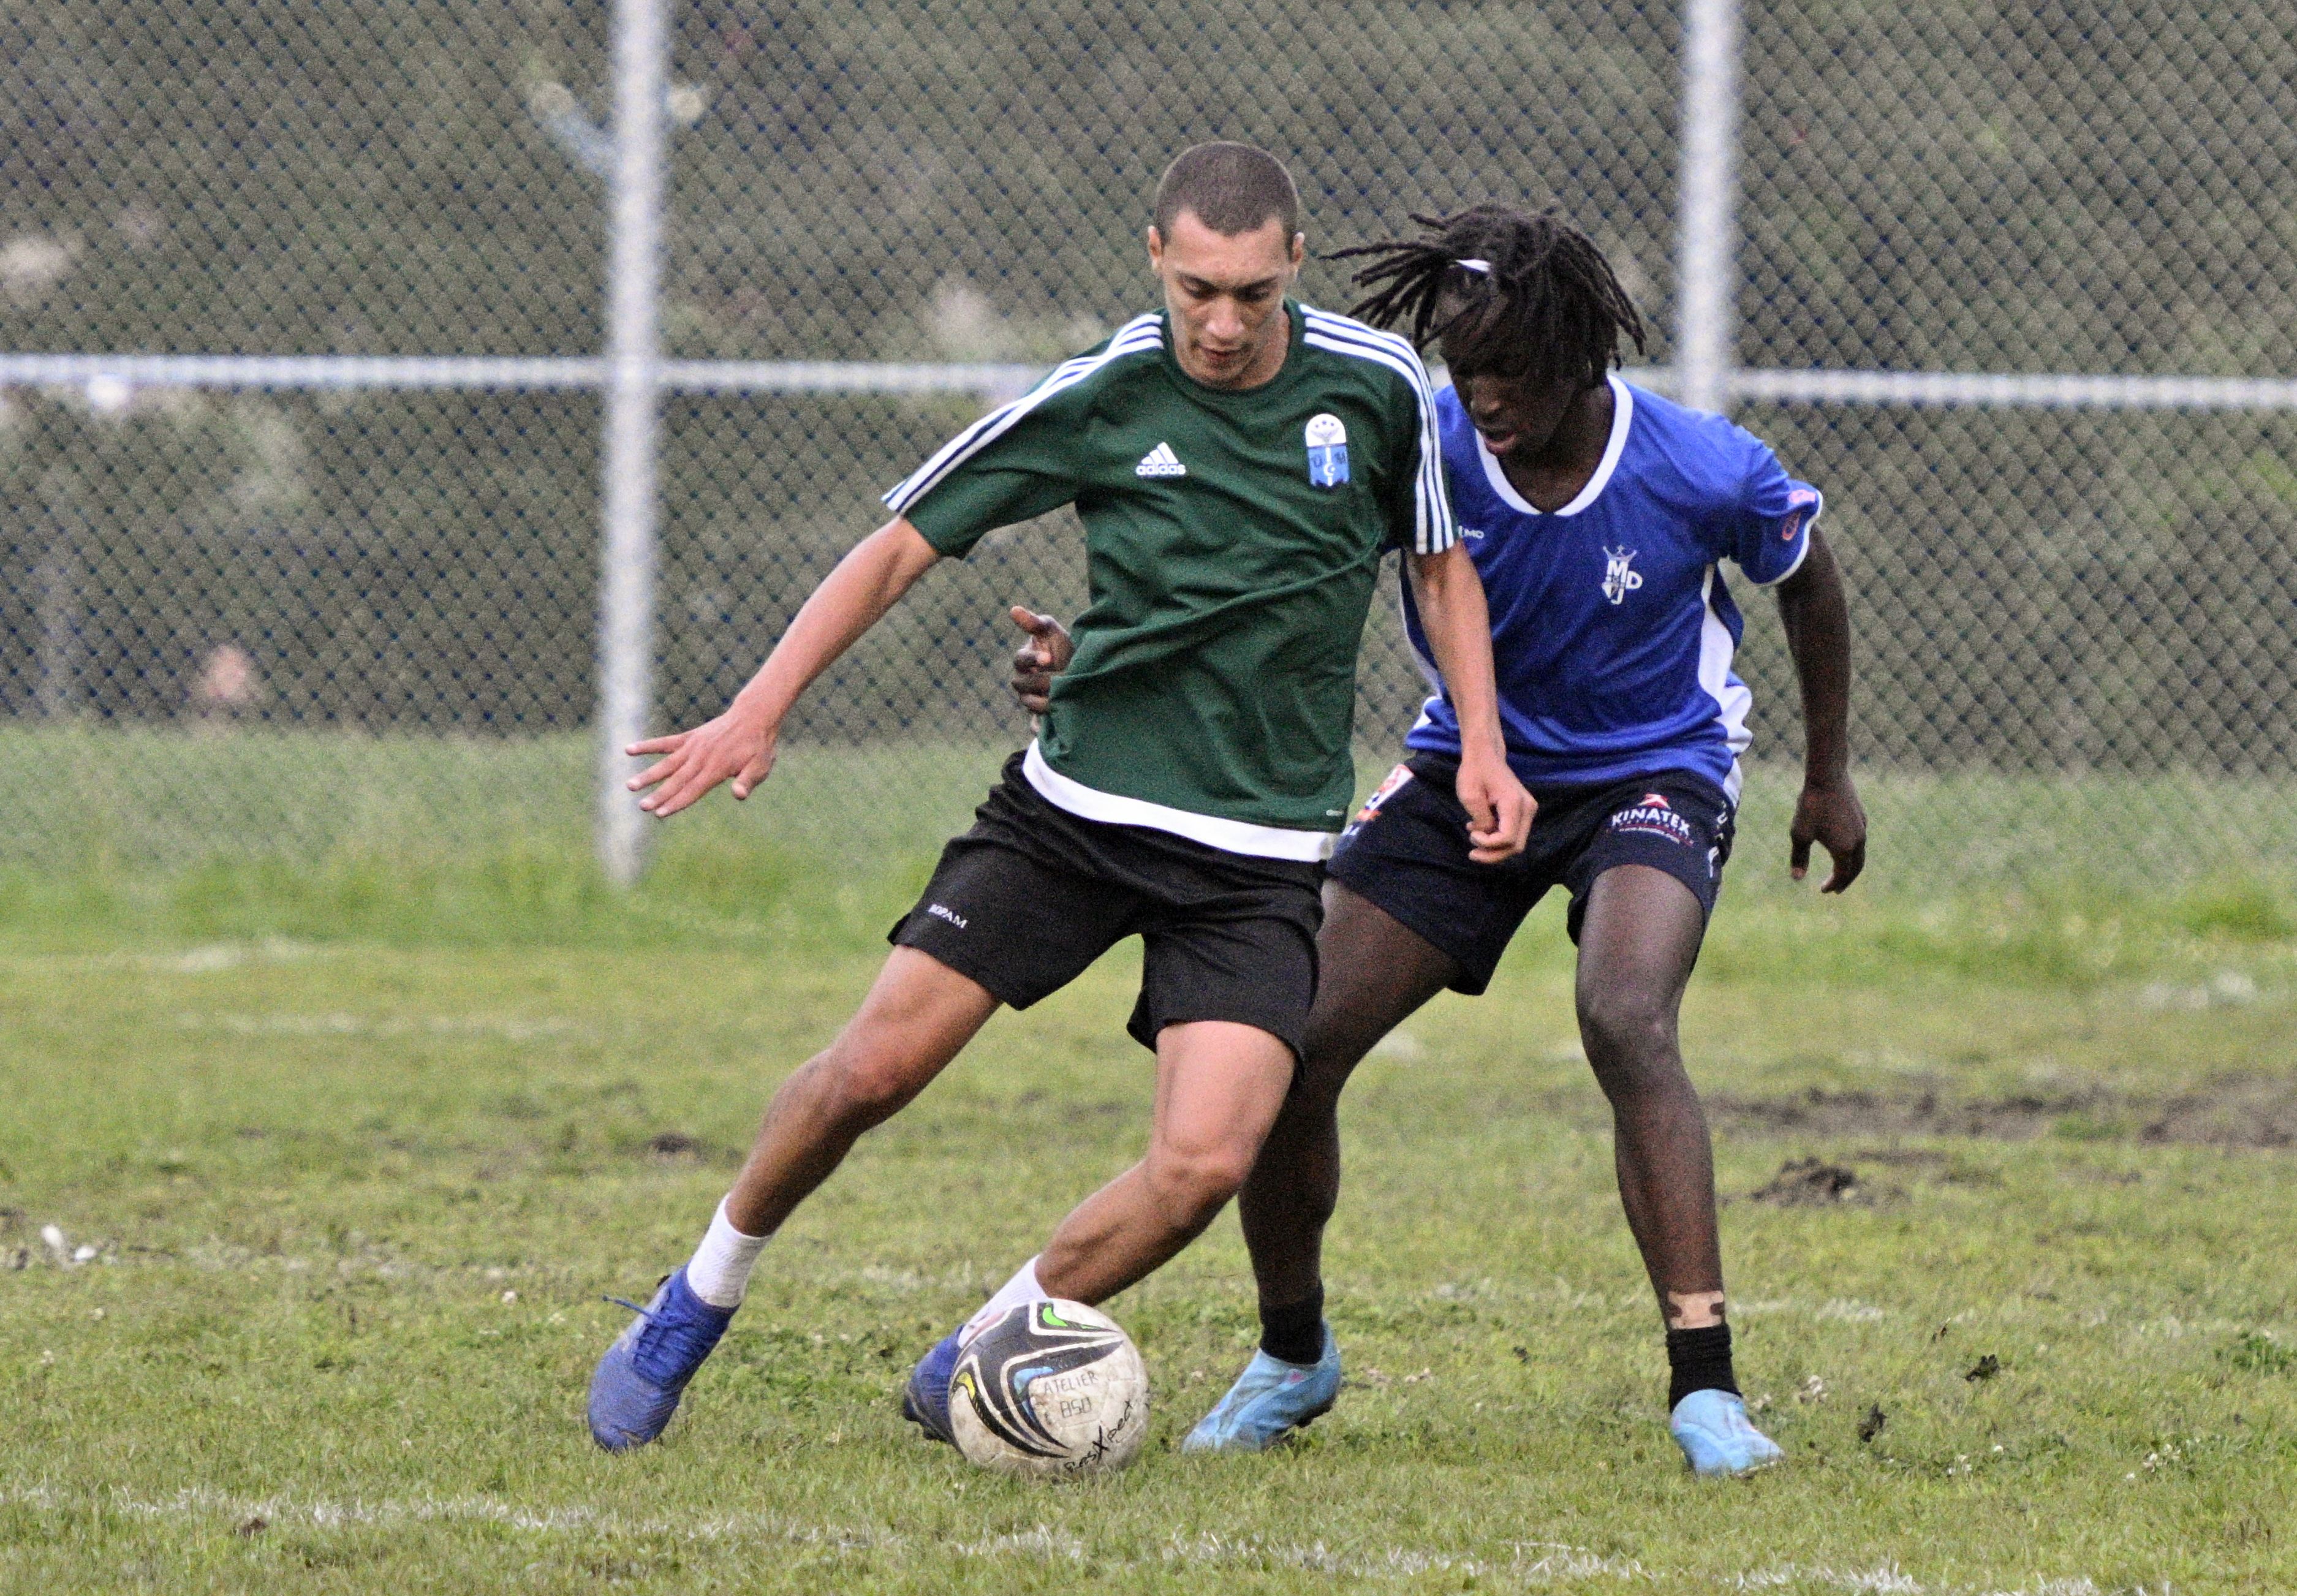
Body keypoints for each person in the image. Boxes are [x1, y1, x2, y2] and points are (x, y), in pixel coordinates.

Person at [586, 146, 1534, 1453]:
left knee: (1205, 1165)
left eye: (1252, 295)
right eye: (1198, 287)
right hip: (1074, 818)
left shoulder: (1375, 392)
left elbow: (1440, 572)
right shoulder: (1104, 390)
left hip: (1257, 860)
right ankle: (695, 1299)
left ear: (1296, 271)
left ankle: (986, 1349)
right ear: (1155, 258)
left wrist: (1480, 742)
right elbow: (903, 546)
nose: (1221, 321)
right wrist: (762, 704)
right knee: (870, 1071)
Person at [1007, 204, 1867, 1475]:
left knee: (1626, 1013)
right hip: (1465, 773)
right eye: (1465, 374)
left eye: (1509, 375)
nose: (1484, 400)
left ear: (1582, 359)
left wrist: (1830, 777)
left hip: (1653, 772)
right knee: (1290, 1045)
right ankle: (1293, 1356)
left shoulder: (1698, 465)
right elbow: (1258, 568)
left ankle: (1707, 1393)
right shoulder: (1428, 450)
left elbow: (1809, 577)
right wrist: (1101, 662)